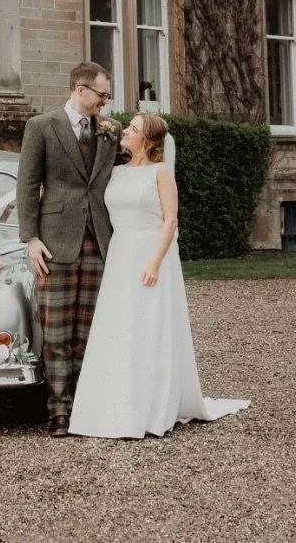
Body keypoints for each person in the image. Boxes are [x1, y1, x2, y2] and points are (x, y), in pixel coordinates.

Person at [68, 112, 249, 439]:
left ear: (148, 140)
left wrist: (154, 263)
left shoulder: (161, 173)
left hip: (150, 252)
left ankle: (150, 407)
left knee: (148, 325)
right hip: (120, 255)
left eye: (133, 128)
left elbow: (170, 220)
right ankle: (113, 405)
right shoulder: (116, 172)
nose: (126, 130)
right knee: (118, 327)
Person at [16, 61, 119, 437]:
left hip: (100, 241)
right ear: (80, 89)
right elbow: (27, 185)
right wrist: (31, 239)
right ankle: (59, 410)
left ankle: (86, 406)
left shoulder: (111, 130)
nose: (105, 102)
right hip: (54, 243)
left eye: (107, 96)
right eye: (102, 95)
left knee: (90, 330)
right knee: (57, 332)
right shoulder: (41, 127)